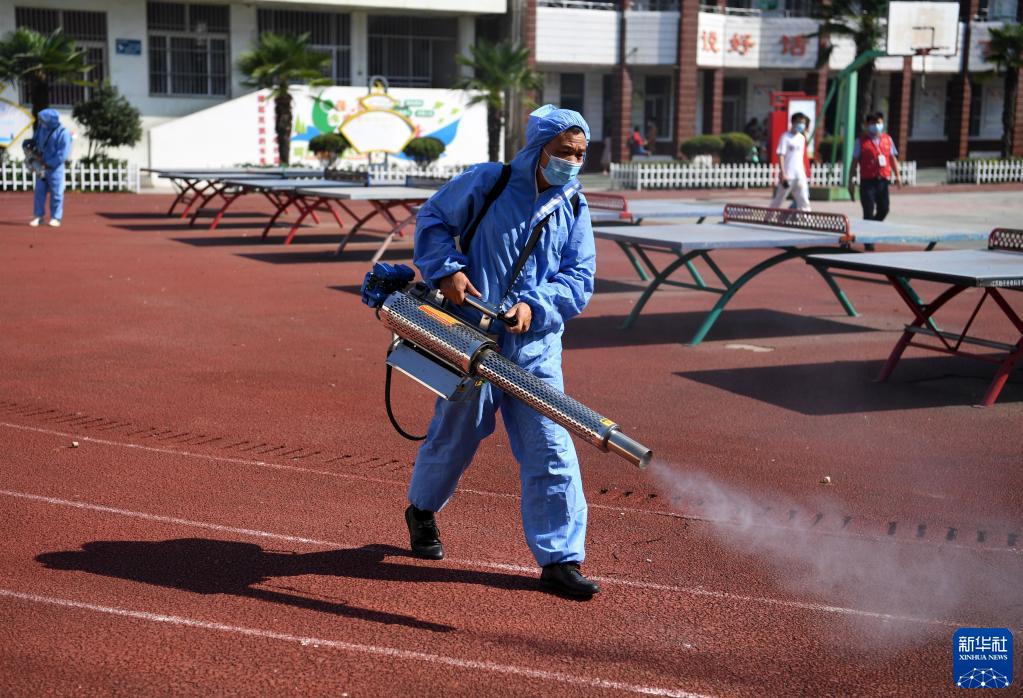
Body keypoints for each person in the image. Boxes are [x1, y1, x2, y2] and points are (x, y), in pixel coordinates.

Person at [407, 104, 599, 598]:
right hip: (470, 338)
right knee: (455, 436)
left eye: (580, 154)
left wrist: (537, 306)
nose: (572, 162)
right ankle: (422, 510)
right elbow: (433, 218)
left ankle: (561, 558)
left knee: (550, 446)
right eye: (564, 152)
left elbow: (579, 277)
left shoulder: (574, 206)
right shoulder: (488, 182)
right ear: (538, 148)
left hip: (535, 350)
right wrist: (446, 270)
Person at [849, 111, 902, 221]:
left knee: (884, 209)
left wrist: (898, 175)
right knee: (868, 210)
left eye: (879, 123)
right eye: (873, 123)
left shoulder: (888, 139)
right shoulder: (860, 141)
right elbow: (854, 162)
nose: (877, 126)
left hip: (882, 180)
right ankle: (869, 226)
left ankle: (874, 224)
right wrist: (851, 181)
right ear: (867, 125)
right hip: (867, 181)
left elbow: (892, 158)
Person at [24, 108, 72, 228]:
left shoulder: (63, 133)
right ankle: (38, 216)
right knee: (39, 192)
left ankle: (56, 218)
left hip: (55, 168)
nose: (41, 121)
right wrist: (29, 143)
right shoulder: (41, 128)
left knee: (57, 193)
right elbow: (35, 140)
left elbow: (62, 155)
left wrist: (47, 163)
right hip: (41, 165)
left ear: (51, 120)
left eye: (43, 119)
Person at [769, 111, 811, 211]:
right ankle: (768, 217)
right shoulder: (785, 137)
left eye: (803, 123)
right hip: (788, 175)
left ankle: (806, 218)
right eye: (799, 122)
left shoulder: (802, 138)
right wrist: (783, 173)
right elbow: (781, 155)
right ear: (793, 122)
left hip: (800, 175)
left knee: (804, 200)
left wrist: (805, 171)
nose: (802, 125)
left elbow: (801, 157)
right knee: (779, 199)